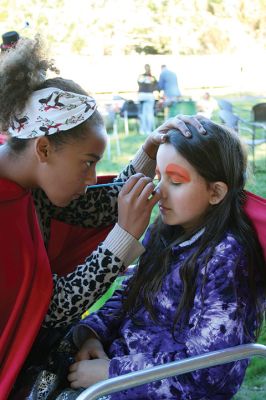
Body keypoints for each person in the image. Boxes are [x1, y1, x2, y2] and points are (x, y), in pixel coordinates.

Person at [0, 36, 205, 399]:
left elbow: (97, 204)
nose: (93, 177)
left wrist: (147, 152)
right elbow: (49, 309)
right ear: (43, 148)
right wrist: (124, 236)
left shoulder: (29, 184)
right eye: (88, 163)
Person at [58, 119, 265, 399]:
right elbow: (130, 292)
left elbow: (208, 372)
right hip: (117, 370)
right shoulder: (164, 231)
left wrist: (112, 374)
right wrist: (93, 334)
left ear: (215, 192)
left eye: (176, 181)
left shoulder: (228, 259)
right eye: (159, 177)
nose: (159, 191)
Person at [137, 64, 157, 135]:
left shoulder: (141, 76)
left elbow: (138, 83)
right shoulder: (153, 77)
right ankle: (149, 130)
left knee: (142, 113)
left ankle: (142, 130)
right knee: (149, 114)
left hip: (141, 95)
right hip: (149, 95)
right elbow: (155, 87)